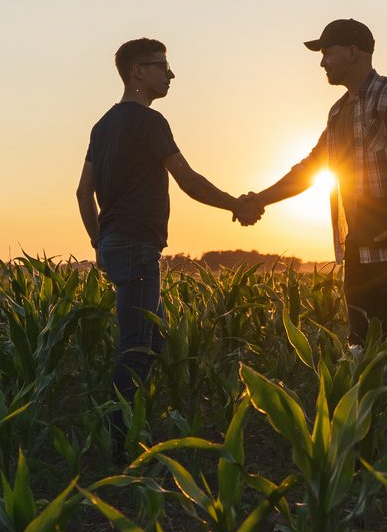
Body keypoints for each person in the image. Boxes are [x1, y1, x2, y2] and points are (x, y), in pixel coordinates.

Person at [76, 38, 259, 441]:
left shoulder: (102, 125)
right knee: (138, 346)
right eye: (162, 66)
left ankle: (134, 422)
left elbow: (82, 192)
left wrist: (99, 244)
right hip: (137, 245)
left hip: (117, 244)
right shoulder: (148, 122)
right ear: (137, 72)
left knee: (153, 337)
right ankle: (119, 441)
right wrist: (236, 205)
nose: (171, 74)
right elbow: (189, 181)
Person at [240, 19, 387, 373]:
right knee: (362, 347)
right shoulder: (339, 112)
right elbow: (312, 168)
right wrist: (259, 200)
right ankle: (374, 422)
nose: (322, 62)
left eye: (327, 53)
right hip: (360, 246)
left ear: (353, 52)